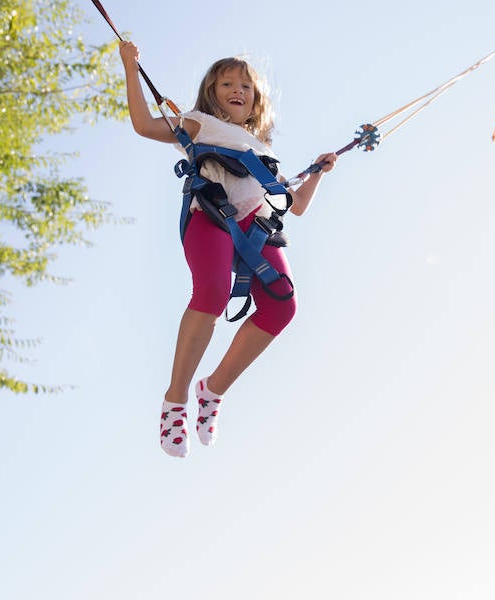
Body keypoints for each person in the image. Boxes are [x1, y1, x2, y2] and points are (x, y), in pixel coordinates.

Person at [119, 41, 338, 457]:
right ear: (212, 91)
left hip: (255, 226)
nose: (237, 90)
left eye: (246, 86)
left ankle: (212, 390)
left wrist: (318, 172)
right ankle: (175, 400)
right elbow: (145, 125)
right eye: (227, 84)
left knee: (282, 307)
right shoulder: (198, 123)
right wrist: (130, 67)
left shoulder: (264, 150)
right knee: (213, 292)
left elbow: (298, 206)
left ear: (256, 100)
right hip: (212, 218)